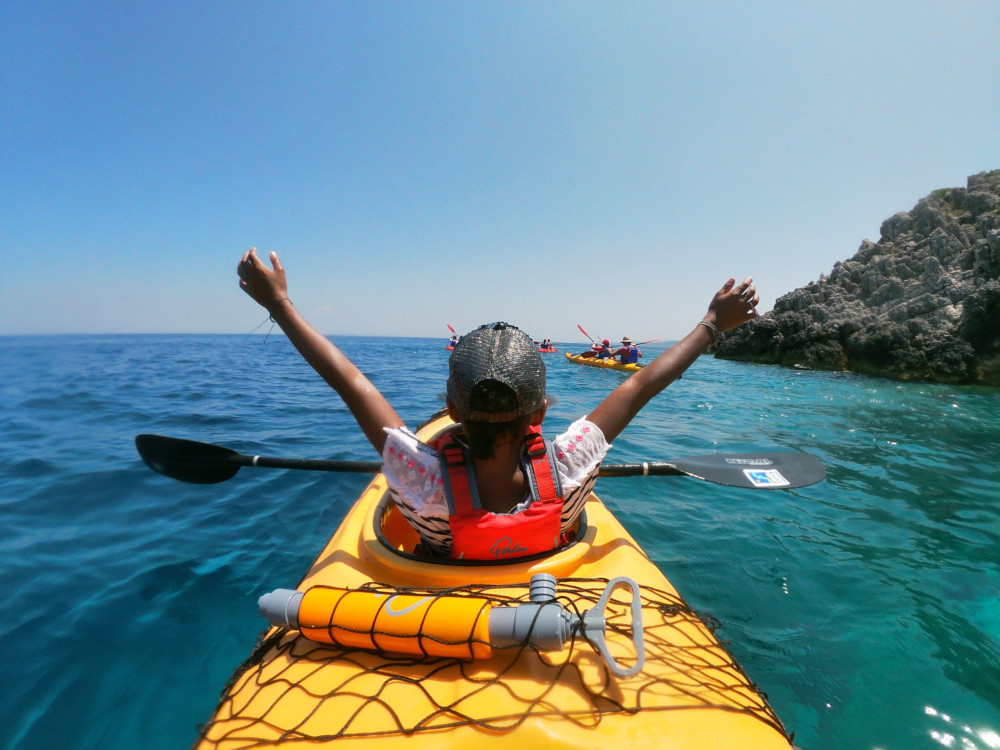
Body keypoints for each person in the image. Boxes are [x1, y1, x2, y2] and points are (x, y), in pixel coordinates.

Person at [237, 247, 759, 560]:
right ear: (540, 413)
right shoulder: (570, 467)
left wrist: (278, 303)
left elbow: (350, 383)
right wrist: (712, 323)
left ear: (452, 410)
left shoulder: (418, 480)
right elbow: (639, 387)